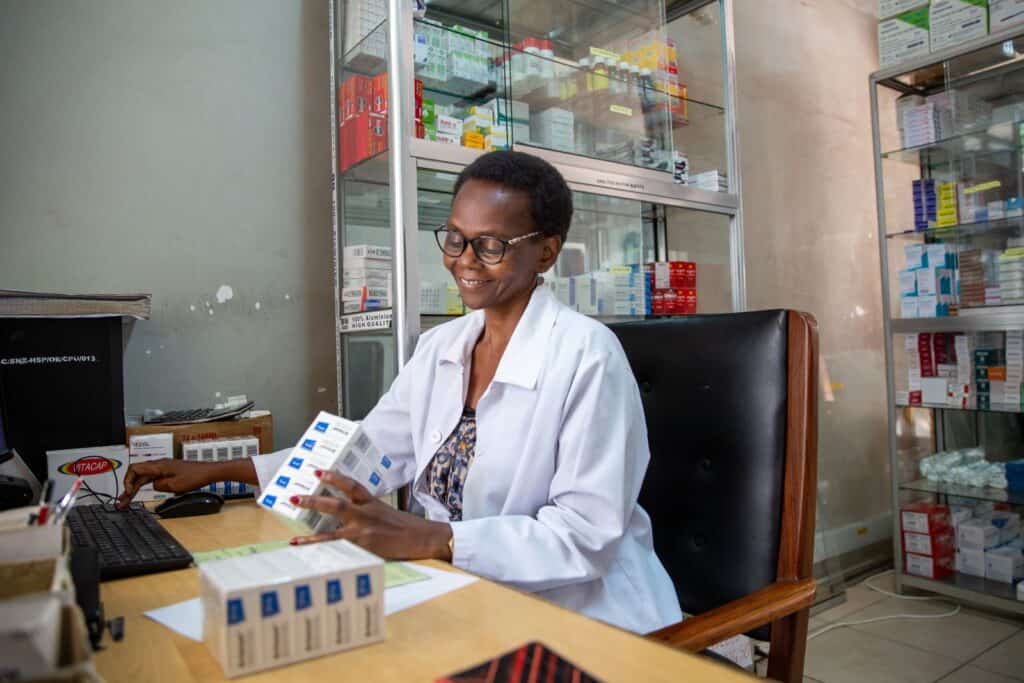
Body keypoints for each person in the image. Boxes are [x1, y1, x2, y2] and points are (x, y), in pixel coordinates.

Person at [118, 150, 683, 635]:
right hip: (461, 588)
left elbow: (586, 538)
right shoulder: (442, 347)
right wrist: (224, 470)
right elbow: (367, 453)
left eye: (490, 245)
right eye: (456, 238)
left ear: (547, 251)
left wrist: (437, 538)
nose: (464, 260)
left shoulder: (587, 356)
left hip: (580, 613)